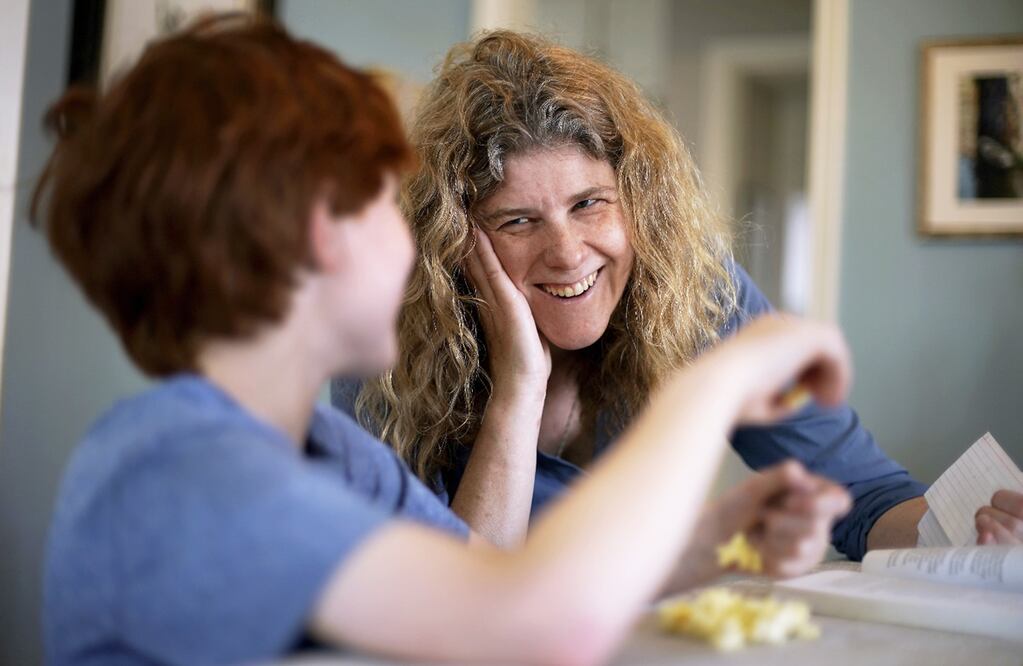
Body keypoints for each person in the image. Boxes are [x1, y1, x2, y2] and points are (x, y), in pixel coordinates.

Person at [37, 16, 853, 666]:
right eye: (392, 208)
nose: (425, 246)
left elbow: (492, 581)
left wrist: (727, 541)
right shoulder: (180, 471)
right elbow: (532, 628)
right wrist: (713, 385)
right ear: (326, 231)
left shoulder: (329, 453)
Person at [344, 30, 1023, 555]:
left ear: (636, 201)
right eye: (516, 221)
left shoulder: (694, 292)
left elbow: (866, 496)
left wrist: (965, 526)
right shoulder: (386, 344)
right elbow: (450, 610)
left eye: (589, 204)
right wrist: (519, 391)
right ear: (456, 242)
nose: (567, 253)